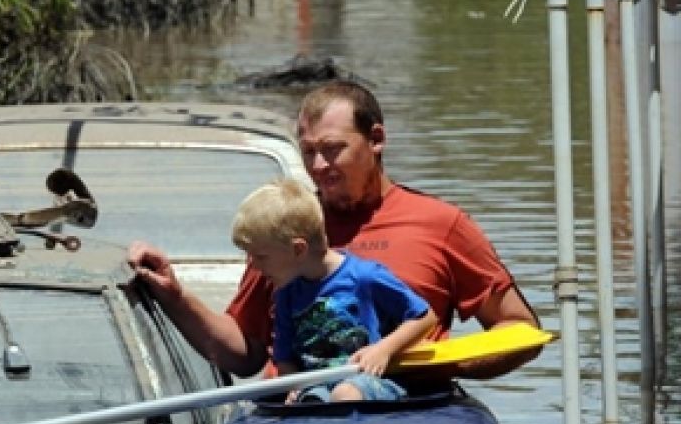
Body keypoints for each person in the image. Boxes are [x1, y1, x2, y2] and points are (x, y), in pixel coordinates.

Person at [128, 80, 540, 390]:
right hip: (305, 413)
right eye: (308, 151)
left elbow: (519, 330)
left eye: (332, 149)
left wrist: (442, 363)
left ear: (376, 140)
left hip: (408, 410)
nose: (319, 166)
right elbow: (243, 354)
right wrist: (174, 296)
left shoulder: (441, 224)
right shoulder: (285, 225)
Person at [231, 176, 437, 402]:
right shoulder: (286, 294)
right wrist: (292, 385)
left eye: (261, 257)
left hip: (370, 380)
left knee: (345, 394)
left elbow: (425, 317)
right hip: (317, 384)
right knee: (309, 402)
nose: (254, 266)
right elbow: (285, 358)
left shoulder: (365, 277)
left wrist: (383, 349)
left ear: (298, 250)